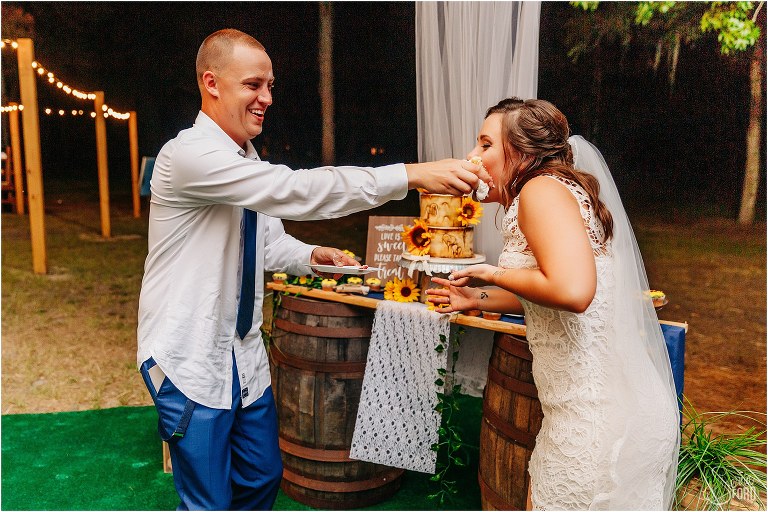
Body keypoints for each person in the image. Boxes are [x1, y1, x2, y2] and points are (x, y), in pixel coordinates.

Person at [136, 28, 489, 511]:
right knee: (208, 502)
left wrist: (312, 255)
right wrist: (409, 175)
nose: (266, 98)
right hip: (190, 354)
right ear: (211, 83)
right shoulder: (189, 155)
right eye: (252, 85)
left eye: (270, 86)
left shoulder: (245, 158)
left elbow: (266, 242)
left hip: (242, 354)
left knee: (261, 476)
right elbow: (296, 191)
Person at [427, 98, 680, 509]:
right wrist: (476, 297)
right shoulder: (554, 190)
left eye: (486, 144)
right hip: (614, 411)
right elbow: (547, 293)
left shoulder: (540, 191)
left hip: (594, 423)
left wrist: (491, 273)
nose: (473, 155)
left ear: (524, 154)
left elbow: (574, 292)